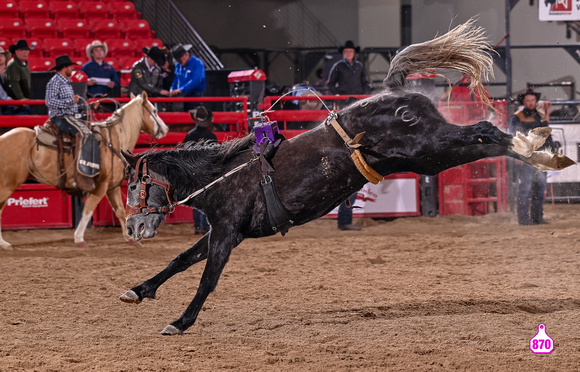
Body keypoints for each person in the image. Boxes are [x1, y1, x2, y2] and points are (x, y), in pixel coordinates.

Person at [327, 40, 371, 231]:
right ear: (343, 53)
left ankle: (344, 220)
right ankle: (344, 220)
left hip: (357, 103)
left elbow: (365, 83)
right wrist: (340, 96)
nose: (349, 53)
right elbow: (330, 84)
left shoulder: (359, 66)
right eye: (346, 51)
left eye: (351, 51)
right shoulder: (338, 66)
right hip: (347, 104)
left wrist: (366, 96)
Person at [46, 55, 100, 192]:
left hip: (69, 117)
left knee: (94, 130)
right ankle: (79, 174)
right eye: (71, 66)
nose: (72, 68)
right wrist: (70, 101)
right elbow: (49, 102)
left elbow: (74, 105)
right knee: (83, 134)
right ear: (64, 68)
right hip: (59, 118)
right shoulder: (55, 82)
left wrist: (88, 106)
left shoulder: (67, 82)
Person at [508, 88, 554, 225]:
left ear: (535, 101)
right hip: (527, 158)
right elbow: (514, 138)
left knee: (539, 188)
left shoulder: (540, 116)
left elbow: (547, 136)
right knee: (526, 188)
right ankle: (524, 219)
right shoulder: (517, 117)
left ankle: (537, 217)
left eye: (532, 100)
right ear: (524, 102)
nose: (530, 102)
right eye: (528, 100)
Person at [183, 106, 217, 235]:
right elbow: (215, 155)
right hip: (207, 170)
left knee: (195, 197)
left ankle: (198, 226)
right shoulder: (211, 136)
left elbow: (184, 154)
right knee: (206, 198)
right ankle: (204, 226)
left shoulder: (190, 135)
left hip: (192, 169)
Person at [169, 44, 206, 111]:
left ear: (185, 56)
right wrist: (172, 88)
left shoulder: (197, 63)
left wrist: (181, 89)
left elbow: (196, 80)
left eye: (179, 60)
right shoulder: (178, 65)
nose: (179, 63)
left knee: (193, 116)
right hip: (181, 97)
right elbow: (176, 78)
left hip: (194, 97)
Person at [6, 39, 32, 114]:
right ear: (16, 52)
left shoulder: (25, 63)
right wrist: (21, 98)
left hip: (25, 100)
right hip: (17, 103)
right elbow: (14, 83)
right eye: (22, 50)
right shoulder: (13, 64)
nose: (25, 52)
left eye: (27, 50)